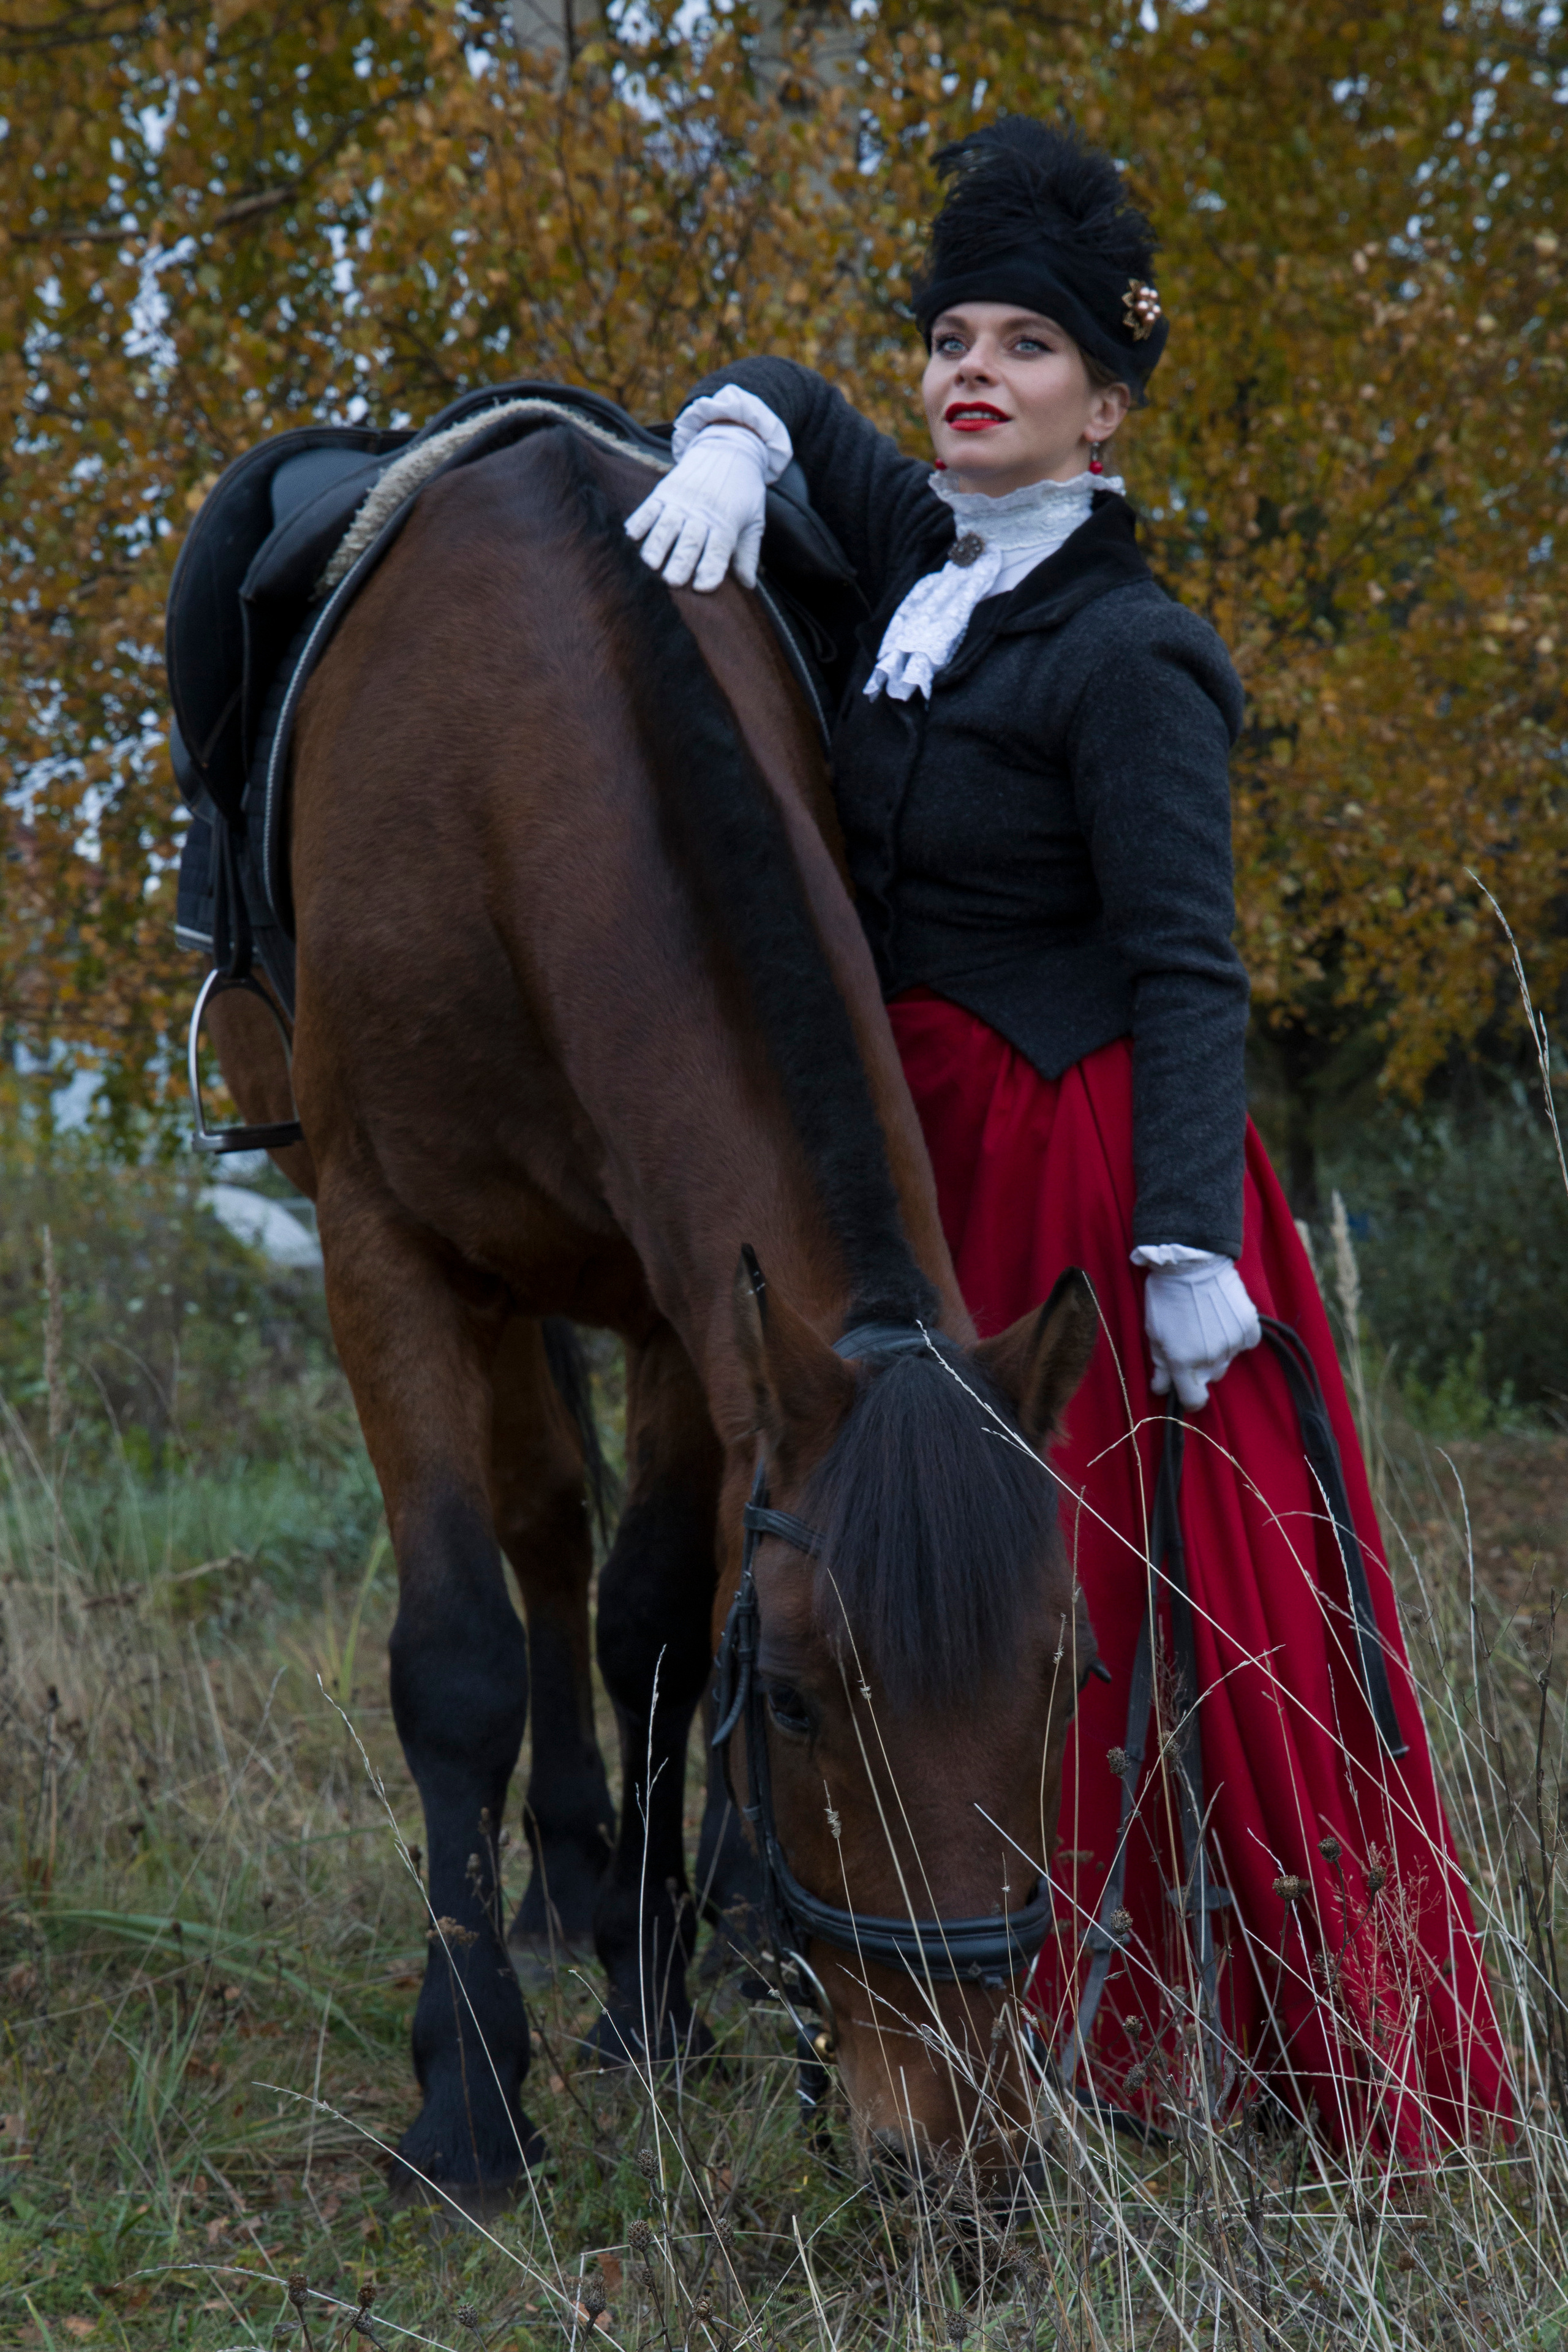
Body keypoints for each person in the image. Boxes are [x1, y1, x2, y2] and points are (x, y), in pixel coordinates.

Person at [625, 116, 1508, 2152]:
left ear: (1104, 410)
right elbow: (783, 397)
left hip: (1092, 1184)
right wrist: (734, 445)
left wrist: (1191, 1244)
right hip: (914, 1166)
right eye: (951, 334)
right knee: (902, 1602)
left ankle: (1150, 2050)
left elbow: (1194, 976)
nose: (972, 371)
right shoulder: (915, 543)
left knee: (1094, 1614)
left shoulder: (1136, 658)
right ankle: (917, 2009)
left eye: (1025, 345)